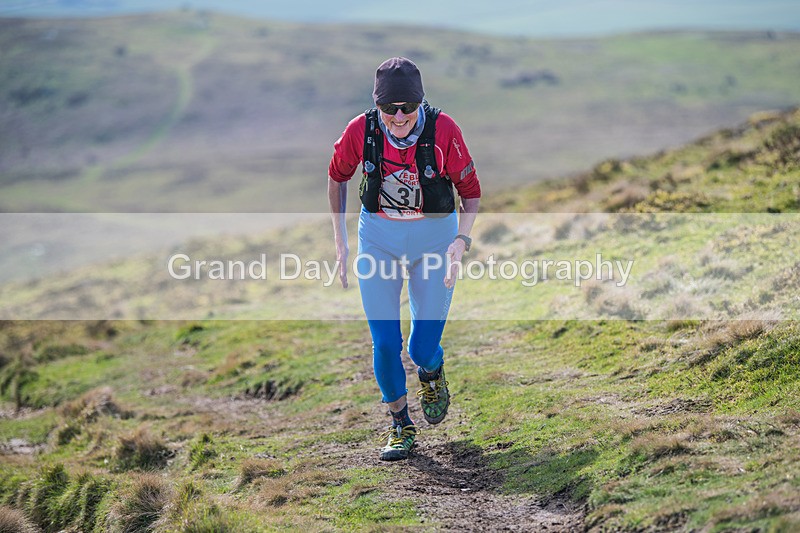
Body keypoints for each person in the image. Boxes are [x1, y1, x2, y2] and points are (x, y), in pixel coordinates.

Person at [327, 57, 481, 461]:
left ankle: (431, 371)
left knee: (421, 346)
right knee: (384, 342)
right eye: (389, 108)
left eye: (407, 109)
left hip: (434, 238)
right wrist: (341, 241)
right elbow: (337, 176)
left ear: (420, 103)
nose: (398, 117)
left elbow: (471, 190)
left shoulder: (444, 130)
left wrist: (461, 240)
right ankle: (400, 424)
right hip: (379, 238)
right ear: (377, 104)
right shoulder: (360, 130)